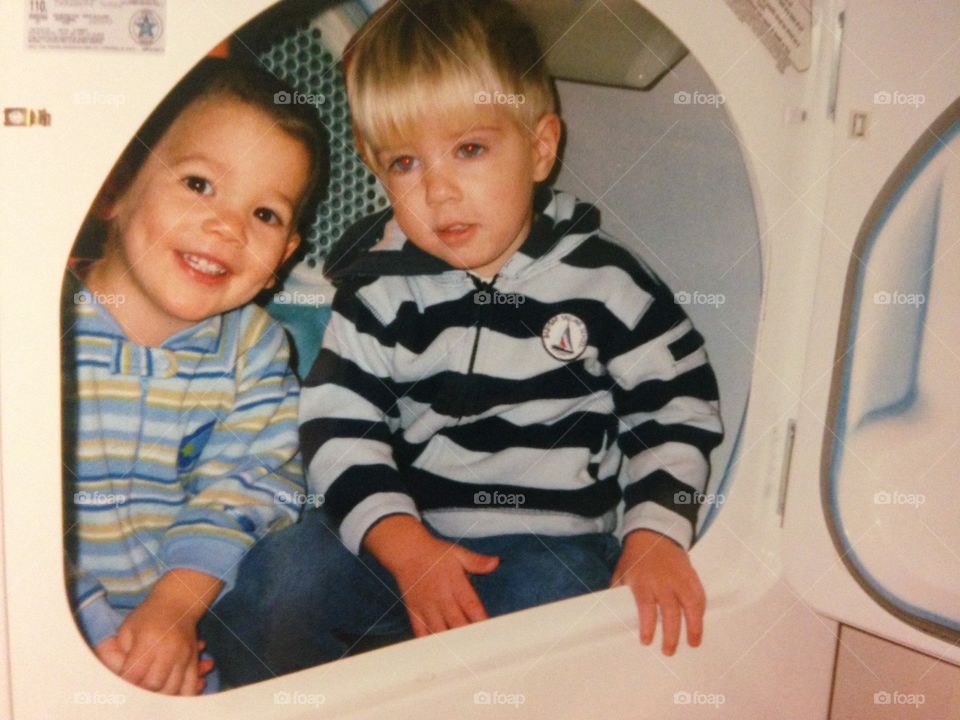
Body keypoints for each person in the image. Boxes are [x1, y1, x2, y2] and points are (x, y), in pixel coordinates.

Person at [206, 0, 723, 687]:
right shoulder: (380, 287)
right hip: (400, 540)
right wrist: (404, 545)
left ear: (540, 148)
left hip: (549, 549)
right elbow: (337, 427)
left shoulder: (603, 281)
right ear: (374, 165)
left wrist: (656, 536)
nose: (441, 191)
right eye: (406, 162)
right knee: (279, 582)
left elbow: (675, 409)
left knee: (553, 643)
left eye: (470, 150)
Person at [61, 57, 326, 695]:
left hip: (192, 633)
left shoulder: (255, 346)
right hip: (43, 627)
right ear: (113, 186)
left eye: (265, 214)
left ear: (283, 257)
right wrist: (90, 633)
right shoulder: (37, 331)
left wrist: (173, 612)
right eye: (200, 183)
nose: (228, 226)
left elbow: (252, 482)